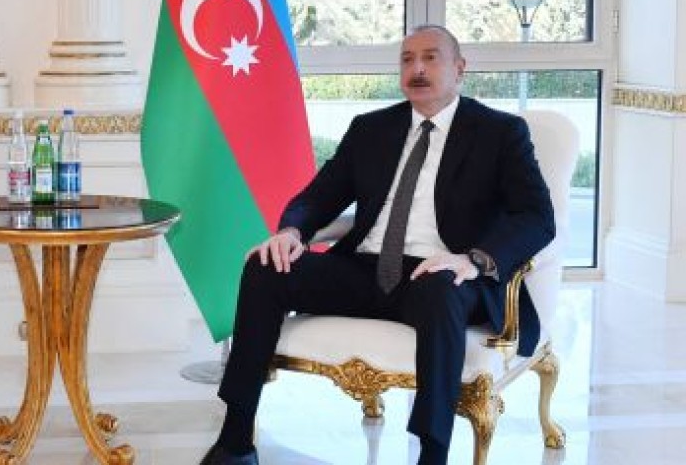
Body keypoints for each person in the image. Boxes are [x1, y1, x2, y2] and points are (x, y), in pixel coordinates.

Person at [199, 25, 556, 465]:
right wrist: (292, 232)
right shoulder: (371, 128)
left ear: (459, 68)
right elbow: (318, 197)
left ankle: (432, 454)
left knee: (440, 288)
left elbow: (537, 217)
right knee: (265, 267)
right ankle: (235, 441)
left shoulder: (499, 132)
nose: (417, 68)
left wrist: (474, 260)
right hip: (367, 268)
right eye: (407, 59)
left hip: (443, 274)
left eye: (430, 57)